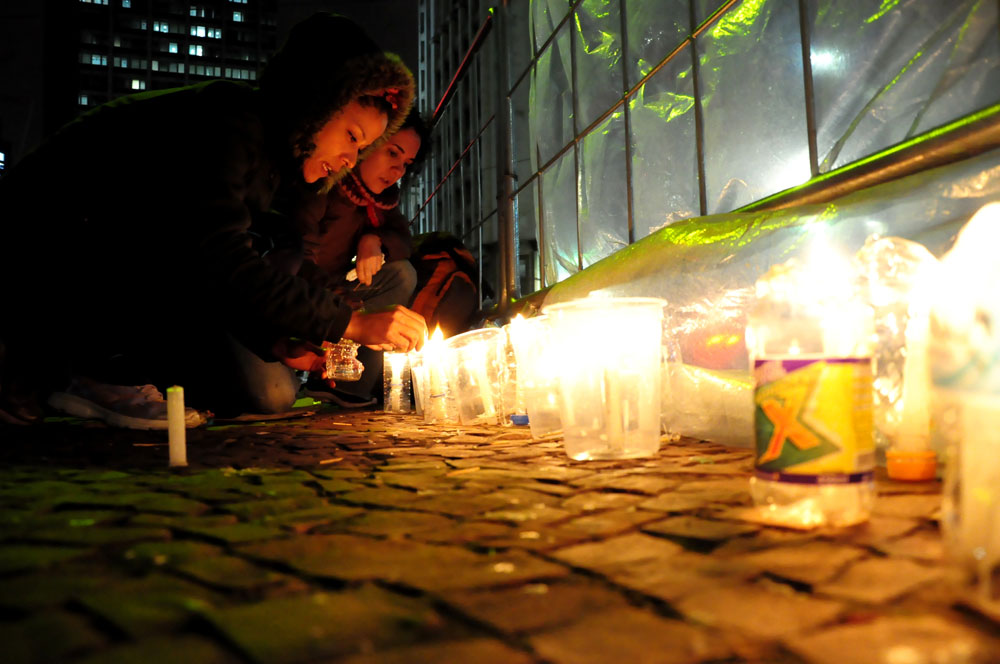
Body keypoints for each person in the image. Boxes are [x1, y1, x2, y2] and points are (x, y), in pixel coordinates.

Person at [0, 13, 426, 428]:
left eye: (363, 148)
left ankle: (77, 367)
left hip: (95, 257)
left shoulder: (272, 160)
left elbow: (216, 261)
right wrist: (352, 323)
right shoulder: (227, 123)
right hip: (41, 245)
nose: (350, 159)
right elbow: (217, 257)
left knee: (273, 389)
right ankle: (89, 369)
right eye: (352, 137)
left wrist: (272, 339)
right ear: (314, 102)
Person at [292, 109, 431, 407]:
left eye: (406, 164)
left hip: (336, 298)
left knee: (402, 273)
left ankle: (345, 385)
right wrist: (352, 315)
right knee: (271, 395)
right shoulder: (323, 180)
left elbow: (403, 238)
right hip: (296, 297)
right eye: (392, 153)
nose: (398, 171)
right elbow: (297, 263)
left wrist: (374, 239)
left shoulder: (380, 202)